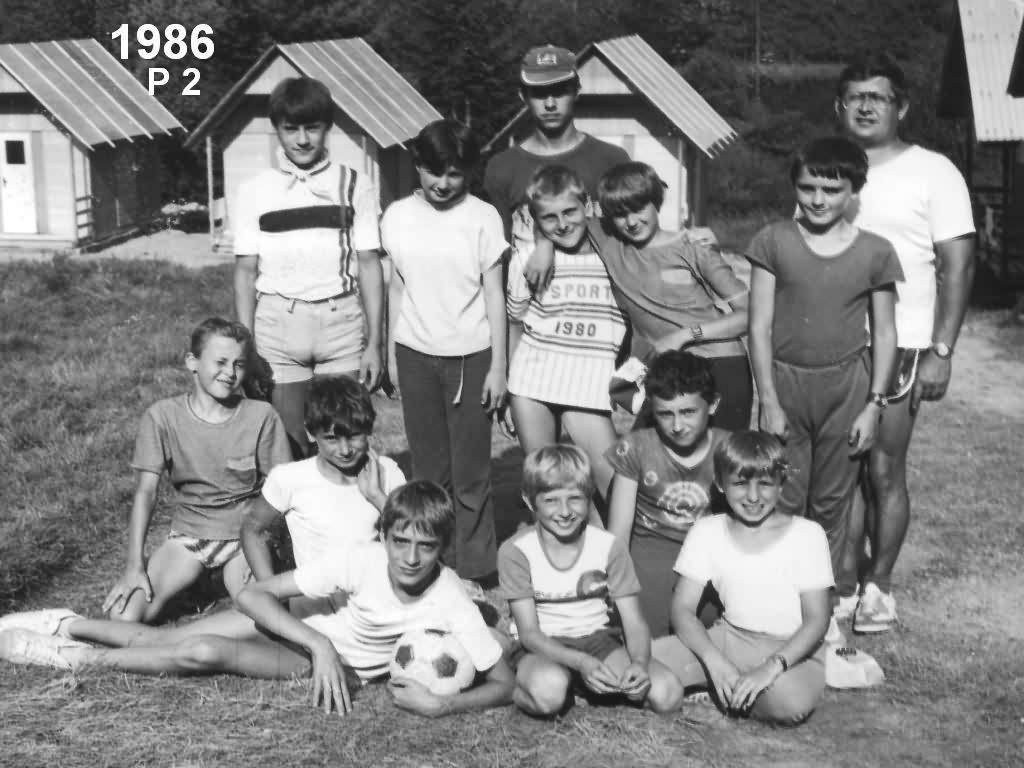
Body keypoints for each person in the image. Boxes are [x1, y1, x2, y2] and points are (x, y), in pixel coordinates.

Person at [0, 482, 515, 718]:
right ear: (384, 536)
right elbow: (252, 595)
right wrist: (318, 643)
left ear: (443, 548)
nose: (411, 558)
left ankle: (73, 656)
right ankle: (67, 622)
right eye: (400, 542)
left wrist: (442, 706)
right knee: (164, 637)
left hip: (310, 660)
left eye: (427, 547)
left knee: (199, 651)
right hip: (297, 629)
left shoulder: (451, 598)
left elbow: (504, 683)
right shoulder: (361, 560)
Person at [834, 56, 976, 633]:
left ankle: (880, 586)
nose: (867, 106)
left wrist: (942, 351)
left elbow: (958, 265)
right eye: (856, 96)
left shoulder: (934, 171)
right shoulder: (827, 166)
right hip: (837, 344)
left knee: (883, 469)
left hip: (906, 343)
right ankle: (843, 580)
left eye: (880, 97)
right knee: (840, 469)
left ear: (902, 107)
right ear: (839, 107)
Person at [746, 136, 903, 601]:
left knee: (832, 502)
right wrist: (768, 400)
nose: (818, 199)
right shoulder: (773, 240)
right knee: (782, 493)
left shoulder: (876, 251)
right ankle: (775, 598)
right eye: (808, 187)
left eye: (832, 190)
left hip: (846, 388)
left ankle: (825, 603)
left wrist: (874, 406)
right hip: (786, 385)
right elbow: (759, 326)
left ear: (854, 191)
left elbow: (885, 333)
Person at [527, 162, 752, 430]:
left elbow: (749, 315)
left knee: (721, 452)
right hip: (667, 369)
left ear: (656, 201)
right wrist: (543, 247)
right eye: (620, 214)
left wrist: (684, 336)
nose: (631, 222)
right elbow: (552, 215)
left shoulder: (694, 247)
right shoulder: (609, 239)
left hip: (720, 364)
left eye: (638, 209)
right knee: (644, 450)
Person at [381, 119, 508, 586]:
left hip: (472, 357)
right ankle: (434, 563)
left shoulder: (483, 217)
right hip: (414, 353)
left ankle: (474, 568)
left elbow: (494, 294)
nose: (443, 183)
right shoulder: (397, 215)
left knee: (471, 470)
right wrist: (392, 356)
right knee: (429, 469)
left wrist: (499, 366)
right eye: (434, 171)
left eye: (455, 173)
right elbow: (397, 288)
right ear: (417, 165)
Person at [102, 317, 291, 624]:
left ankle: (216, 590)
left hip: (246, 536)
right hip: (190, 536)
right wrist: (134, 566)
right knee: (123, 616)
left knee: (264, 615)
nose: (230, 373)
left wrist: (272, 544)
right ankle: (198, 582)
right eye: (220, 362)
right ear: (192, 362)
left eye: (239, 364)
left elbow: (287, 488)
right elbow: (146, 493)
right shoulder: (162, 416)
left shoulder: (261, 415)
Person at [233, 76, 385, 458]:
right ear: (277, 129)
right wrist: (247, 346)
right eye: (291, 129)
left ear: (327, 127)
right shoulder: (254, 189)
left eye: (312, 128)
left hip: (341, 327)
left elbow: (369, 265)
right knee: (288, 448)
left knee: (345, 441)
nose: (302, 140)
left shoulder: (355, 184)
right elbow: (245, 272)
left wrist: (374, 344)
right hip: (278, 328)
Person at [653, 431, 833, 725]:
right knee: (643, 659)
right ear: (720, 484)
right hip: (729, 638)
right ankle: (722, 686)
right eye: (740, 484)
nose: (753, 497)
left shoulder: (807, 534)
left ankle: (714, 692)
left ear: (781, 483)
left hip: (791, 650)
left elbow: (817, 620)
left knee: (790, 703)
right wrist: (714, 661)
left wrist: (771, 668)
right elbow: (682, 609)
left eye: (765, 484)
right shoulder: (707, 530)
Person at [499, 445, 683, 716]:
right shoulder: (516, 551)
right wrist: (580, 662)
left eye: (575, 498)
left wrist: (639, 663)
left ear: (589, 496)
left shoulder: (608, 546)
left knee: (667, 694)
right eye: (551, 500)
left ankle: (581, 687)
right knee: (549, 693)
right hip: (542, 645)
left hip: (597, 642)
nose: (564, 511)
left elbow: (633, 621)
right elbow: (529, 633)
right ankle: (516, 689)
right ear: (530, 501)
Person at [506, 165, 627, 508]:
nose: (562, 224)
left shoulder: (613, 252)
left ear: (587, 206)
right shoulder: (527, 260)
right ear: (536, 220)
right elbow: (515, 323)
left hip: (590, 384)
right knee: (549, 489)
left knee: (615, 487)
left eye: (570, 212)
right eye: (549, 218)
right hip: (533, 382)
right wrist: (508, 387)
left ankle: (611, 545)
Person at [605, 350, 729, 637]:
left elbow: (777, 474)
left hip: (708, 556)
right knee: (648, 636)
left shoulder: (729, 448)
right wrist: (616, 582)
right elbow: (619, 530)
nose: (677, 426)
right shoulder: (636, 447)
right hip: (651, 555)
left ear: (712, 405)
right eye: (665, 414)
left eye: (688, 412)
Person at [240, 376, 406, 580]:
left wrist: (377, 497)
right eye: (331, 439)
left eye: (354, 436)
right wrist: (269, 587)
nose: (345, 450)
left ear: (369, 427)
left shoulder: (387, 471)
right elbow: (252, 529)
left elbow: (415, 534)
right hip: (316, 597)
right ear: (310, 433)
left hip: (374, 590)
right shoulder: (290, 479)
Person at [483, 44, 629, 264]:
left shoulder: (612, 160)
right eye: (539, 94)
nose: (550, 104)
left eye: (559, 91)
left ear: (576, 91)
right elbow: (497, 253)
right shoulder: (502, 167)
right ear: (523, 96)